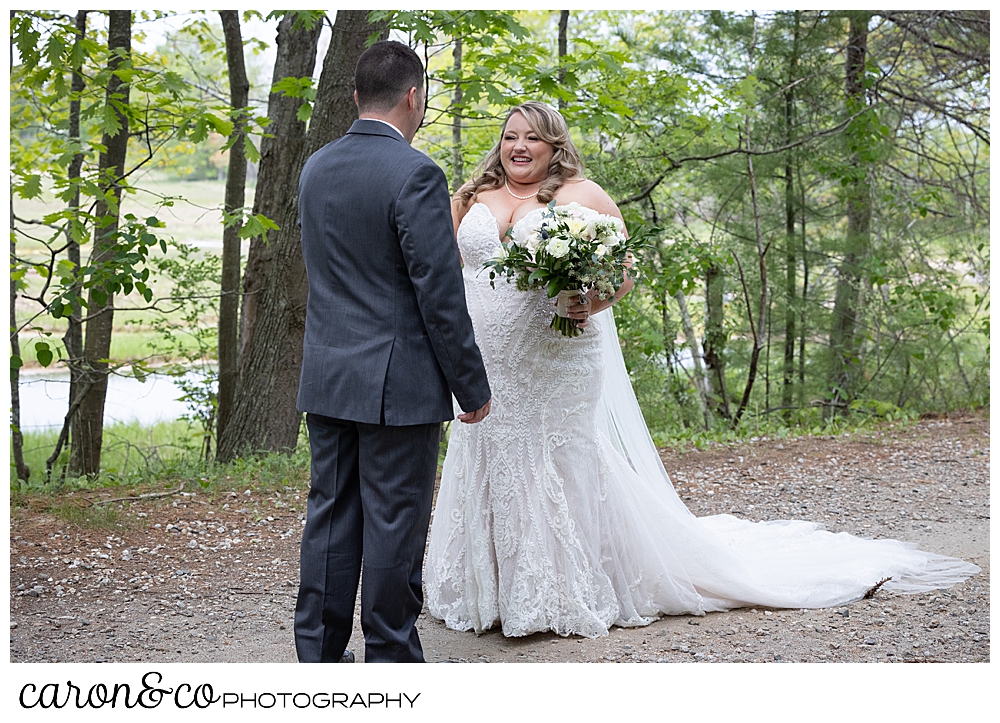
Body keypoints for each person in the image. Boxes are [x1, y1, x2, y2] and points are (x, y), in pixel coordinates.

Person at [424, 101, 979, 639]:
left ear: (555, 145)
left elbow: (620, 273)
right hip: (489, 355)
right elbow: (441, 274)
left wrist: (589, 303)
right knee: (491, 448)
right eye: (510, 136)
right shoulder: (471, 196)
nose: (519, 147)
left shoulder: (582, 196)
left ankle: (558, 589)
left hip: (558, 356)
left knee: (559, 456)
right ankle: (490, 590)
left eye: (533, 138)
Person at [294, 40, 492, 663]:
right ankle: (391, 660)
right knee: (394, 523)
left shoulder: (315, 167)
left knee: (330, 516)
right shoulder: (417, 173)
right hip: (397, 381)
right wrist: (472, 385)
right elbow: (439, 291)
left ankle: (319, 659)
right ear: (415, 97)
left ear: (355, 97)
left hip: (328, 373)